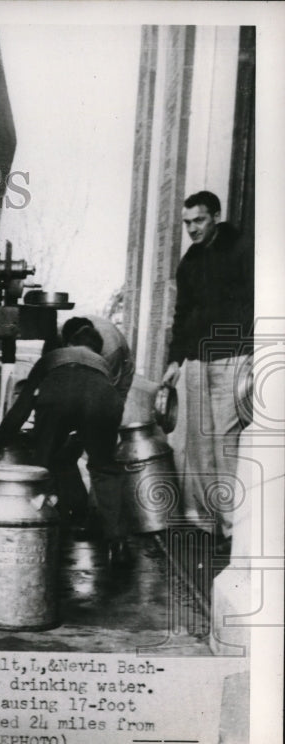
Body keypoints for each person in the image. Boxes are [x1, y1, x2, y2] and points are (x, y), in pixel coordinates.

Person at [0, 321, 126, 556]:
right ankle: (117, 541)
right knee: (105, 469)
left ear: (68, 343)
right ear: (96, 349)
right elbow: (105, 406)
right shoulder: (102, 364)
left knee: (42, 462)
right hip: (104, 399)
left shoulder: (54, 357)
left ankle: (42, 530)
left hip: (59, 396)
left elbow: (23, 406)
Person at [161, 190, 254, 544]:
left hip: (233, 357)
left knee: (224, 443)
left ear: (215, 216)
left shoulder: (243, 249)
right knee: (199, 444)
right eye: (187, 222)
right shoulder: (190, 261)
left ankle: (234, 531)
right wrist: (174, 360)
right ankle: (206, 525)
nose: (192, 228)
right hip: (197, 361)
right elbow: (181, 315)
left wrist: (255, 351)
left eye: (198, 220)